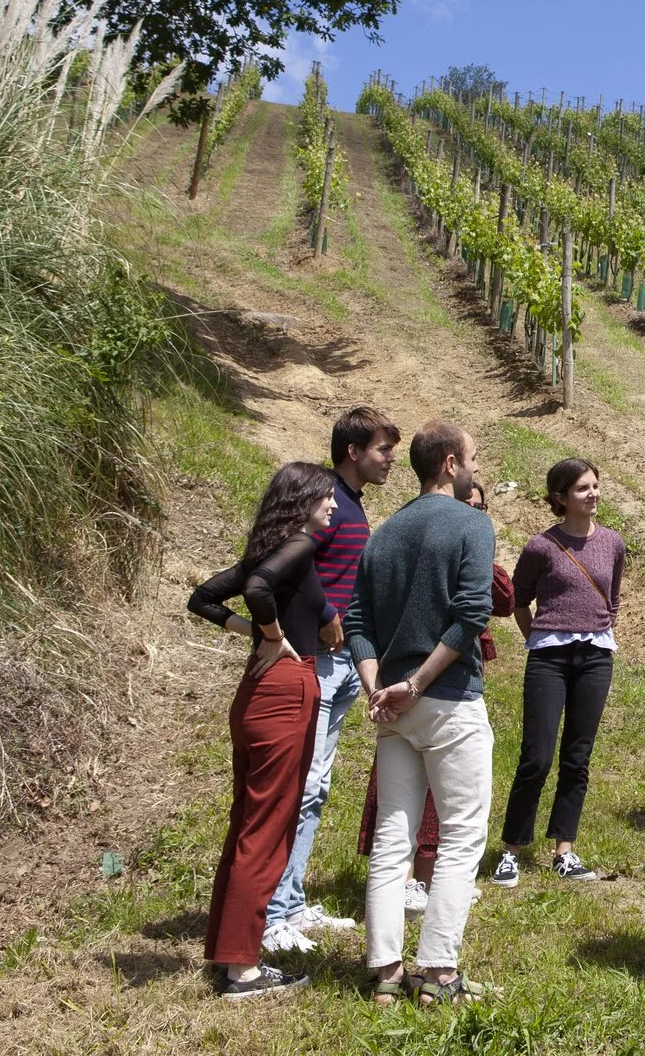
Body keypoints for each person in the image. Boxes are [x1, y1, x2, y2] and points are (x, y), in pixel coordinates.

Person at [348, 420, 499, 1008]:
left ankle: (386, 971)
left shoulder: (383, 533)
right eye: (473, 459)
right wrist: (414, 684)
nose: (477, 469)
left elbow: (357, 622)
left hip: (393, 706)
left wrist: (378, 688)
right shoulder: (471, 523)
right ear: (450, 464)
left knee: (394, 837)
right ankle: (439, 972)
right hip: (446, 698)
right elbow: (472, 614)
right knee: (461, 836)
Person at [186, 461, 338, 998]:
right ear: (303, 500)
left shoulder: (273, 550)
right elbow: (256, 588)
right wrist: (270, 634)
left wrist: (257, 631)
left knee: (248, 823)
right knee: (267, 828)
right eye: (326, 496)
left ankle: (229, 952)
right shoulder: (299, 546)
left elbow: (202, 598)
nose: (333, 505)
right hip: (285, 690)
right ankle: (242, 969)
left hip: (257, 693)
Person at [261, 406, 397, 954]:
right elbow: (292, 566)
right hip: (314, 657)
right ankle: (272, 914)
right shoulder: (327, 502)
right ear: (352, 451)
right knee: (299, 785)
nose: (390, 459)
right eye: (382, 449)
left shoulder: (351, 505)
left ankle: (291, 901)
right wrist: (324, 617)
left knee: (315, 786)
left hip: (339, 661)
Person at [492, 457, 625, 886]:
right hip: (548, 658)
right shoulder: (541, 546)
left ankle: (564, 850)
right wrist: (538, 637)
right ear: (560, 497)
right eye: (583, 488)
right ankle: (511, 850)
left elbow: (613, 599)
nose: (593, 493)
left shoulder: (613, 543)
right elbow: (518, 600)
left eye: (595, 485)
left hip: (596, 657)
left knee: (577, 756)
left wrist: (597, 628)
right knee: (537, 756)